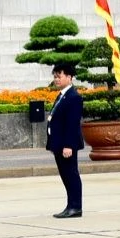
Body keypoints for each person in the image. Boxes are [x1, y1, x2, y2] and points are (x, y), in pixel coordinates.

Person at [45, 61, 84, 218]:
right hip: (58, 143)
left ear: (69, 77)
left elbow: (72, 123)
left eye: (59, 76)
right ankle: (70, 205)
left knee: (71, 174)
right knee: (65, 175)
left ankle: (75, 206)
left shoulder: (74, 97)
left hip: (66, 144)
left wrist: (68, 145)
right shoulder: (62, 95)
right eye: (55, 76)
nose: (56, 79)